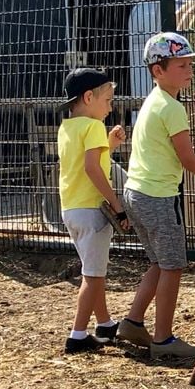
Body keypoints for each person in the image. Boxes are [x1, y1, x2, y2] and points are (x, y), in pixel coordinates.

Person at [116, 32, 195, 359]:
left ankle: (132, 322)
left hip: (136, 193)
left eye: (190, 64)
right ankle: (163, 340)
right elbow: (188, 159)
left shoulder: (154, 102)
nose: (189, 70)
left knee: (159, 263)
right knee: (172, 266)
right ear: (158, 70)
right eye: (181, 65)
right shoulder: (171, 108)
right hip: (157, 197)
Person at [57, 68, 127, 354]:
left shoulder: (67, 127)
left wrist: (108, 145)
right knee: (94, 274)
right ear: (89, 97)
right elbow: (93, 169)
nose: (110, 107)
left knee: (93, 268)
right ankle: (77, 334)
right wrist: (117, 204)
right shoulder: (93, 127)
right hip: (92, 210)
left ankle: (105, 323)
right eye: (108, 101)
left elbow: (87, 162)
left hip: (71, 209)